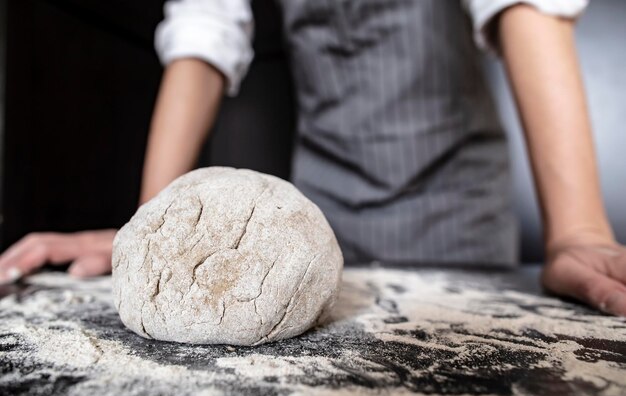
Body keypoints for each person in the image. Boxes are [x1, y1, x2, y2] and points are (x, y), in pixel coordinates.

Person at [1, 0, 625, 316]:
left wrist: (576, 230)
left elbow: (524, 5)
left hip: (455, 206)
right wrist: (153, 231)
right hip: (318, 212)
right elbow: (204, 33)